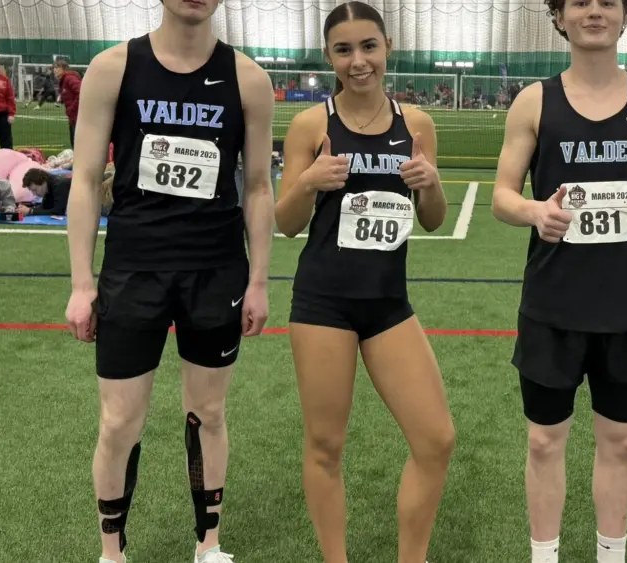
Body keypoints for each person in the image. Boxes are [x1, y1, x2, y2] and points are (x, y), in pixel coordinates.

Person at [62, 0, 276, 561]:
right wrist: (82, 283)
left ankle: (208, 547)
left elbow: (257, 186)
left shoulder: (248, 78)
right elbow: (84, 181)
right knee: (118, 420)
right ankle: (113, 554)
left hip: (216, 270)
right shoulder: (113, 68)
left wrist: (258, 282)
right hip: (134, 270)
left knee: (209, 412)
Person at [491, 0, 627, 561]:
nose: (594, 12)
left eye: (608, 2)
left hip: (626, 307)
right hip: (553, 306)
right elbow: (502, 195)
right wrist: (534, 213)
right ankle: (544, 555)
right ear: (559, 16)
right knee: (544, 440)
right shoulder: (535, 100)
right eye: (579, 2)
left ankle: (610, 555)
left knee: (622, 443)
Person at [273, 2, 454, 562]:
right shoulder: (310, 124)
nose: (358, 62)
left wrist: (429, 184)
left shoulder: (416, 124)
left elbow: (433, 219)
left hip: (388, 305)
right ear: (329, 56)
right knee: (326, 446)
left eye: (368, 47)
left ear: (387, 47)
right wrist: (307, 182)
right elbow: (285, 224)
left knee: (436, 440)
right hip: (323, 303)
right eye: (344, 50)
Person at [53, 60, 83, 149]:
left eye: (57, 67)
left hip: (78, 117)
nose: (54, 70)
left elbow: (82, 92)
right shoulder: (64, 80)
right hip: (73, 117)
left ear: (64, 69)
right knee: (75, 144)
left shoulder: (69, 78)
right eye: (54, 68)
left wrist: (72, 109)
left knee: (78, 145)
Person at [0, 57, 16, 149]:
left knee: (6, 141)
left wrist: (11, 114)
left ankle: (8, 162)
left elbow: (10, 98)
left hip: (2, 115)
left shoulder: (4, 80)